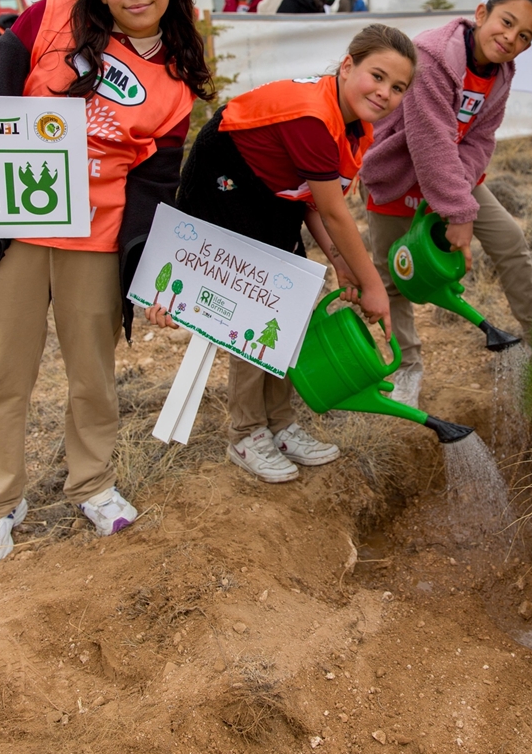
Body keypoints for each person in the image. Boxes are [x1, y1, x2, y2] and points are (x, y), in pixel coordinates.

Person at [0, 0, 211, 571]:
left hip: (96, 239)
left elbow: (155, 187)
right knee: (4, 375)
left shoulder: (176, 81)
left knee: (92, 375)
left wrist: (149, 270)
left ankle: (92, 484)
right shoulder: (53, 18)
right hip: (16, 229)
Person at [149, 25, 417, 483]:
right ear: (347, 65)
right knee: (256, 307)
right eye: (377, 76)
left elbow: (312, 200)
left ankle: (280, 423)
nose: (385, 93)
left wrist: (339, 261)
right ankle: (246, 432)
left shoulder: (355, 126)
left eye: (398, 87)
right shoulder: (313, 117)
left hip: (270, 192)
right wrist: (374, 285)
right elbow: (334, 212)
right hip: (226, 182)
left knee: (290, 300)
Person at [361, 0, 532, 407]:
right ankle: (407, 365)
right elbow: (430, 140)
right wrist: (459, 213)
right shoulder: (431, 57)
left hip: (452, 178)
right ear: (482, 13)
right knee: (394, 272)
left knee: (509, 239)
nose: (510, 38)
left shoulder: (501, 75)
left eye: (524, 36)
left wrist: (458, 196)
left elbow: (480, 138)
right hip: (398, 174)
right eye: (507, 22)